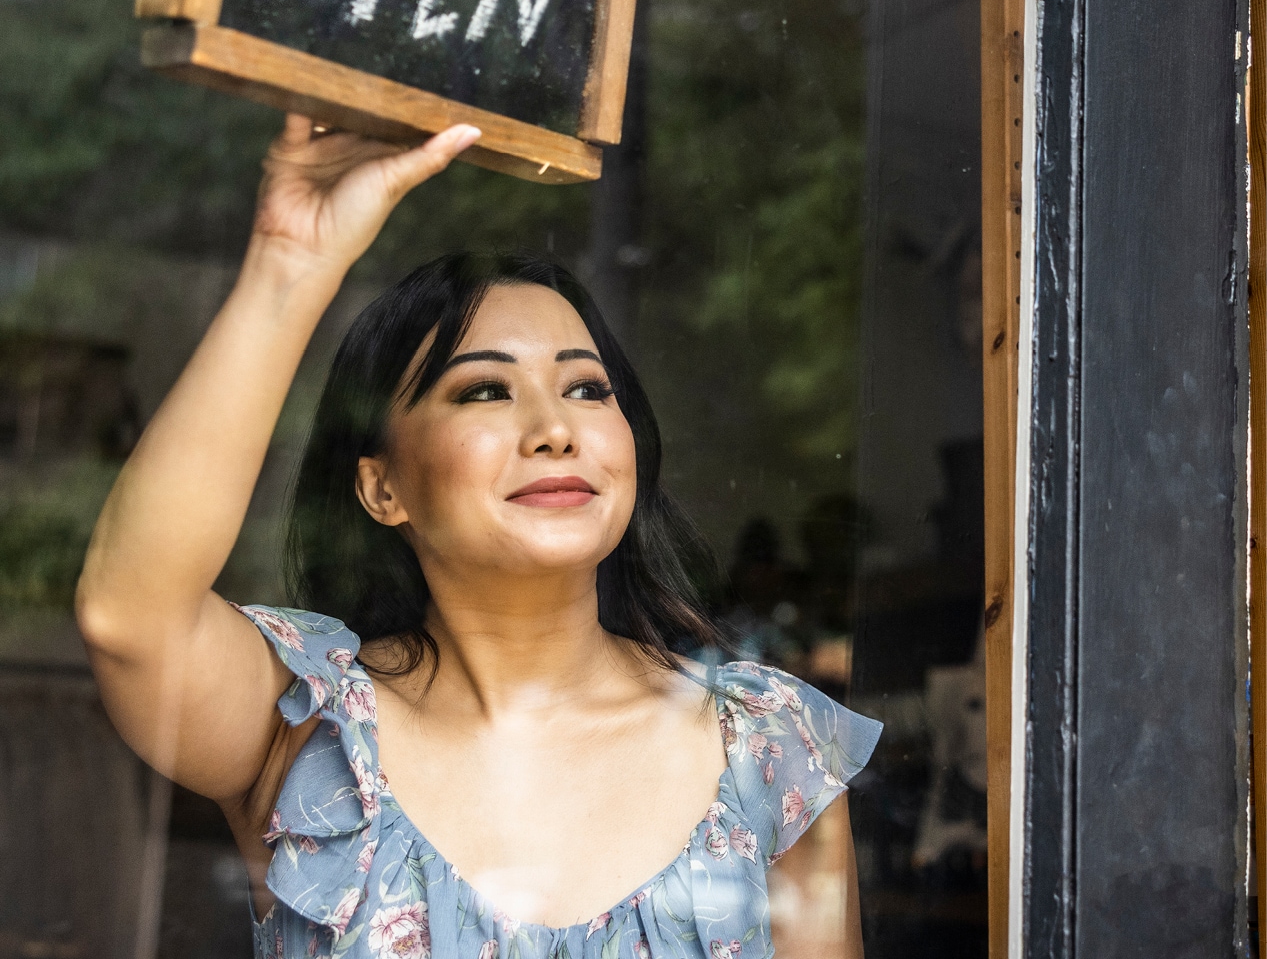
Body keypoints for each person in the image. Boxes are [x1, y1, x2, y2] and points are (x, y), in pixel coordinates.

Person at [75, 116, 881, 959]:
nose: (554, 429)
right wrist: (291, 262)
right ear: (381, 487)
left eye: (586, 387)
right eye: (485, 392)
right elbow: (129, 615)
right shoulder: (313, 732)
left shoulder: (770, 749)